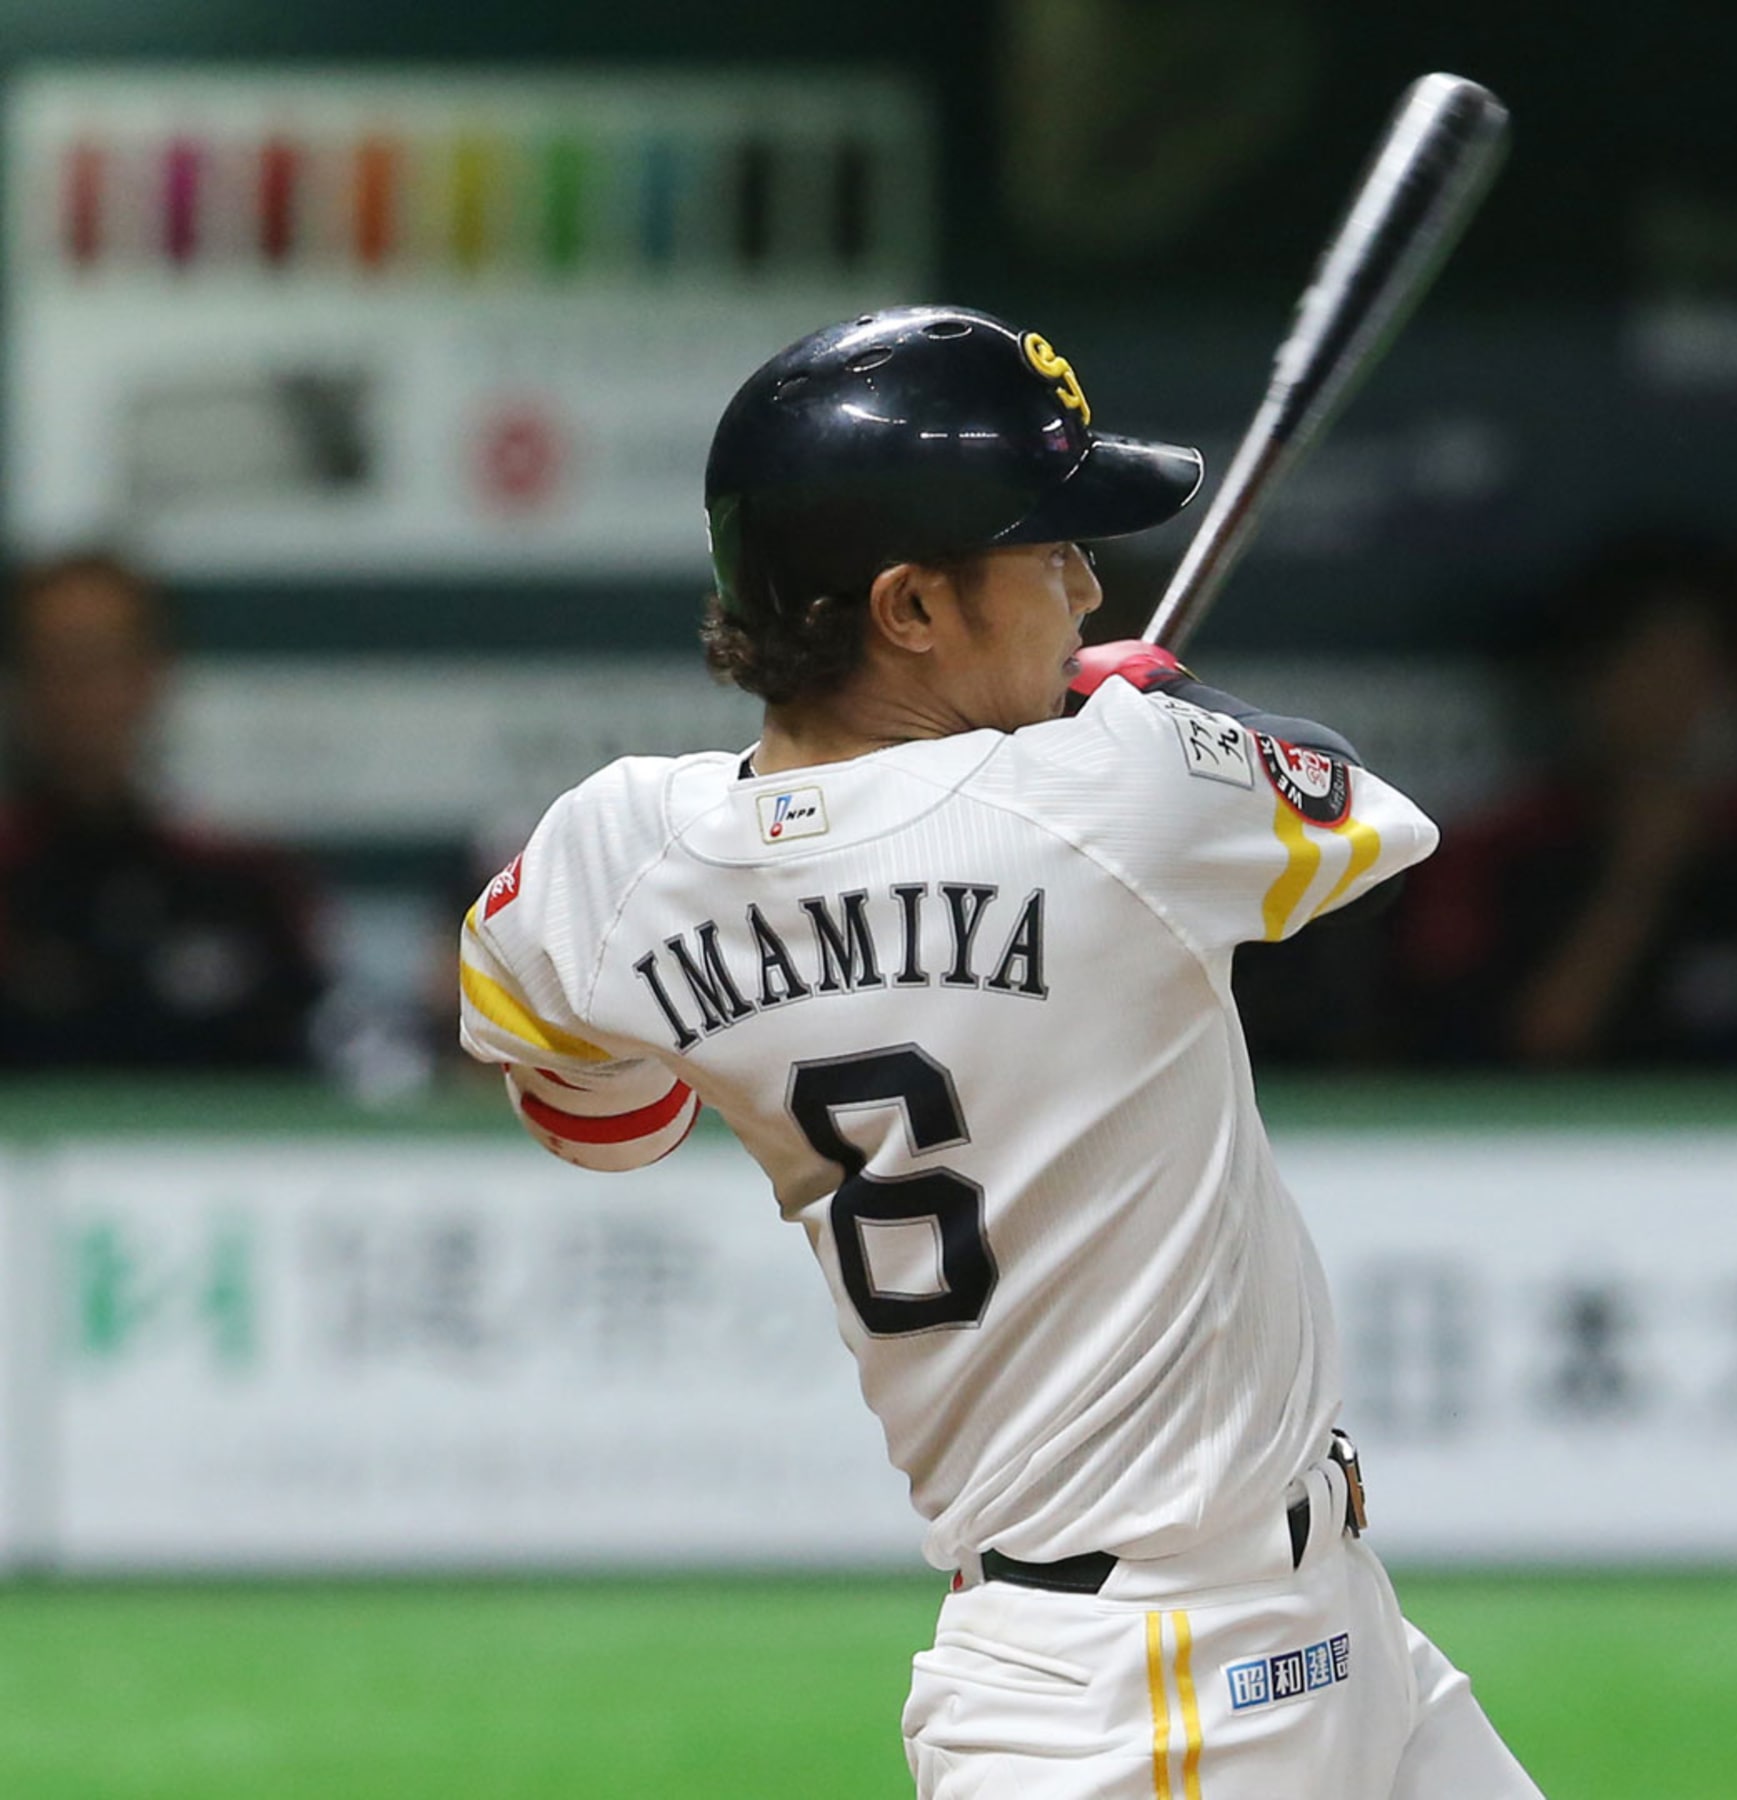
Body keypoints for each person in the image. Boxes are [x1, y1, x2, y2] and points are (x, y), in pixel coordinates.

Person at [455, 307, 1540, 1799]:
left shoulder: (621, 853)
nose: (1089, 586)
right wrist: (1147, 709)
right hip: (1151, 1692)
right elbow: (1358, 808)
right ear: (908, 608)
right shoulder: (1123, 796)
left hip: (1288, 1634)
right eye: (1049, 554)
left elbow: (595, 1109)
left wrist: (1079, 726)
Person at [1394, 542, 1737, 1067]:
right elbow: (1525, 1051)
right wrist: (1637, 879)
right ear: (1587, 683)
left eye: (1698, 669)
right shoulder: (1499, 856)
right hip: (1565, 1142)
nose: (1672, 700)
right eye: (1647, 665)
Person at [0, 553, 326, 1070]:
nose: (80, 693)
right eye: (56, 661)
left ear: (153, 675)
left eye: (103, 660)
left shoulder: (246, 887)